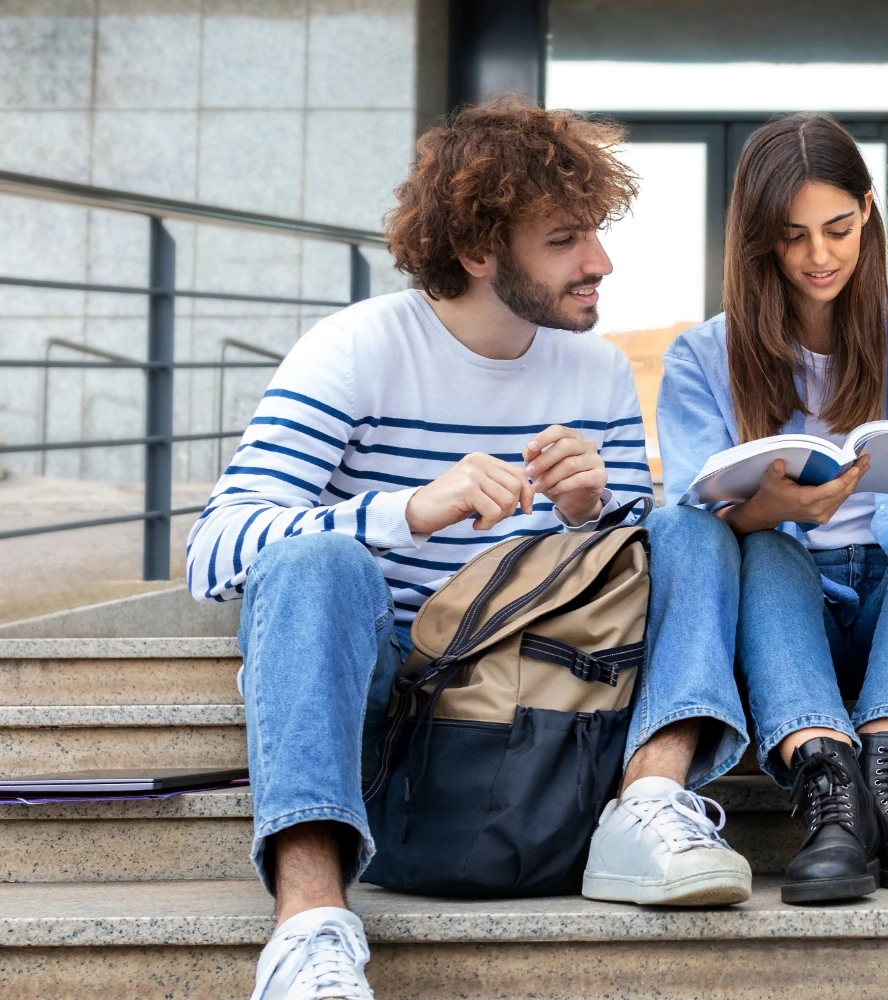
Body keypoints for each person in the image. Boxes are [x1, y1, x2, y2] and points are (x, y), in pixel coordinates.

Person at [189, 99, 756, 1000]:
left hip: (535, 707)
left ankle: (648, 802)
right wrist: (408, 511)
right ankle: (307, 932)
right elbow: (215, 551)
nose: (600, 264)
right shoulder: (356, 349)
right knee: (313, 561)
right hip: (384, 706)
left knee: (685, 527)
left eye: (596, 235)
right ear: (479, 252)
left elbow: (630, 587)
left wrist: (594, 510)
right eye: (566, 239)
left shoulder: (597, 369)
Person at [657, 113, 888, 905]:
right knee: (762, 547)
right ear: (757, 239)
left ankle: (885, 777)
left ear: (869, 211)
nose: (820, 256)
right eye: (792, 236)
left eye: (839, 228)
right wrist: (765, 511)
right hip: (782, 625)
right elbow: (688, 519)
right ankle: (831, 794)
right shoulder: (701, 356)